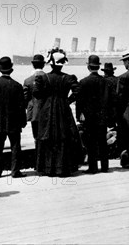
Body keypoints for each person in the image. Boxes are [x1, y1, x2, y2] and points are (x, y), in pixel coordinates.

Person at [34, 49, 80, 177]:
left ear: (51, 64)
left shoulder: (43, 78)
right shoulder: (68, 77)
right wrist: (67, 101)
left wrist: (46, 98)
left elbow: (36, 93)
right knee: (63, 136)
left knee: (47, 137)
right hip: (63, 109)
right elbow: (78, 91)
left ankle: (48, 168)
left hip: (47, 110)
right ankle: (63, 168)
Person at [0, 57, 26, 178]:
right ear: (11, 69)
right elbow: (21, 106)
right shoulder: (17, 86)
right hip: (14, 121)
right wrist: (23, 121)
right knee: (15, 146)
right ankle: (15, 171)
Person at [76, 55, 114, 173]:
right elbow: (109, 101)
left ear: (88, 66)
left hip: (89, 117)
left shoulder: (83, 82)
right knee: (102, 141)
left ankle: (93, 167)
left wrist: (79, 116)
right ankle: (104, 166)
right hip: (102, 116)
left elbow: (79, 102)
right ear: (98, 67)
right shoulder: (105, 82)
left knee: (91, 142)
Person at [23, 54, 46, 140]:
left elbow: (25, 98)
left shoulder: (27, 80)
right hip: (47, 111)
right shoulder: (49, 78)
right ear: (43, 65)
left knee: (36, 136)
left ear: (33, 65)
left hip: (33, 112)